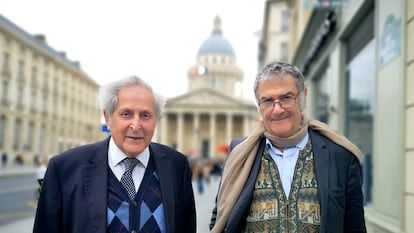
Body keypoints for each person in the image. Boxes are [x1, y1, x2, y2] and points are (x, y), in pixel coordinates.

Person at [209, 61, 366, 233]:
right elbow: (219, 220)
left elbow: (355, 227)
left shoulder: (340, 155)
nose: (277, 109)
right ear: (259, 105)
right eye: (267, 100)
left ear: (302, 97)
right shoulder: (240, 154)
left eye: (286, 98)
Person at [33, 75, 196, 233]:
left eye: (145, 115)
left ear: (156, 120)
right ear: (108, 117)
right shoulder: (64, 169)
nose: (136, 125)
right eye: (126, 114)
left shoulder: (177, 165)